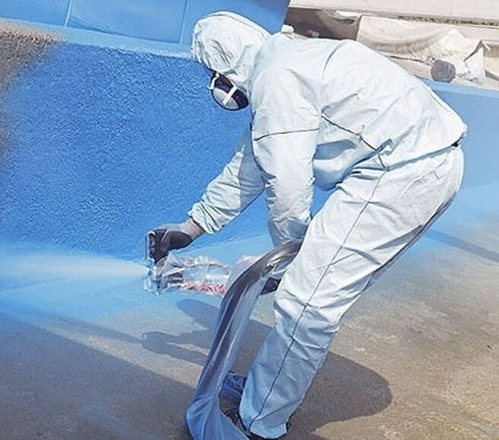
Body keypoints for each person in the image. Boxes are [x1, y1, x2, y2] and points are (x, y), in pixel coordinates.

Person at [152, 11, 465, 440]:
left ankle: (259, 423)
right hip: (420, 163)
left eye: (213, 74)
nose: (216, 85)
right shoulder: (285, 64)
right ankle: (266, 393)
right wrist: (192, 226)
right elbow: (251, 165)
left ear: (226, 68)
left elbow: (286, 185)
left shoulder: (277, 80)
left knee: (306, 302)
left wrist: (289, 256)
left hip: (403, 173)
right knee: (309, 293)